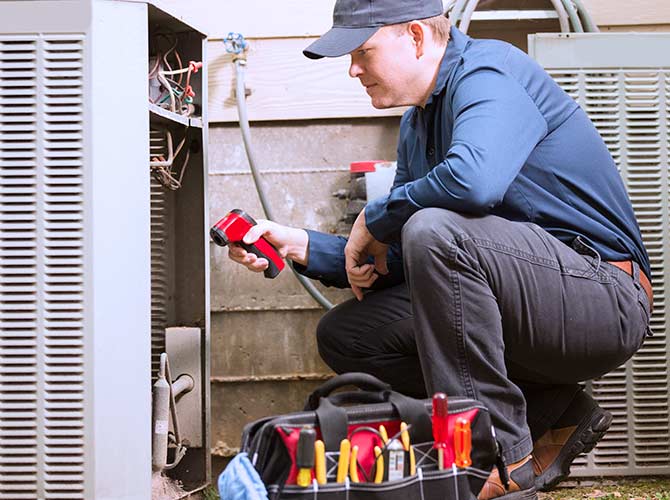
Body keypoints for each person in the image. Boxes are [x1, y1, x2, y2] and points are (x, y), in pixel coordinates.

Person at [228, 1, 653, 498]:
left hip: (602, 297)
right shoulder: (417, 123)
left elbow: (472, 185)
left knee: (433, 228)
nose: (353, 69)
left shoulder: (490, 73)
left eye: (363, 51)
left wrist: (377, 217)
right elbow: (411, 258)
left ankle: (494, 458)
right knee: (349, 335)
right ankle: (554, 413)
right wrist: (304, 246)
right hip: (522, 307)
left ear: (415, 36)